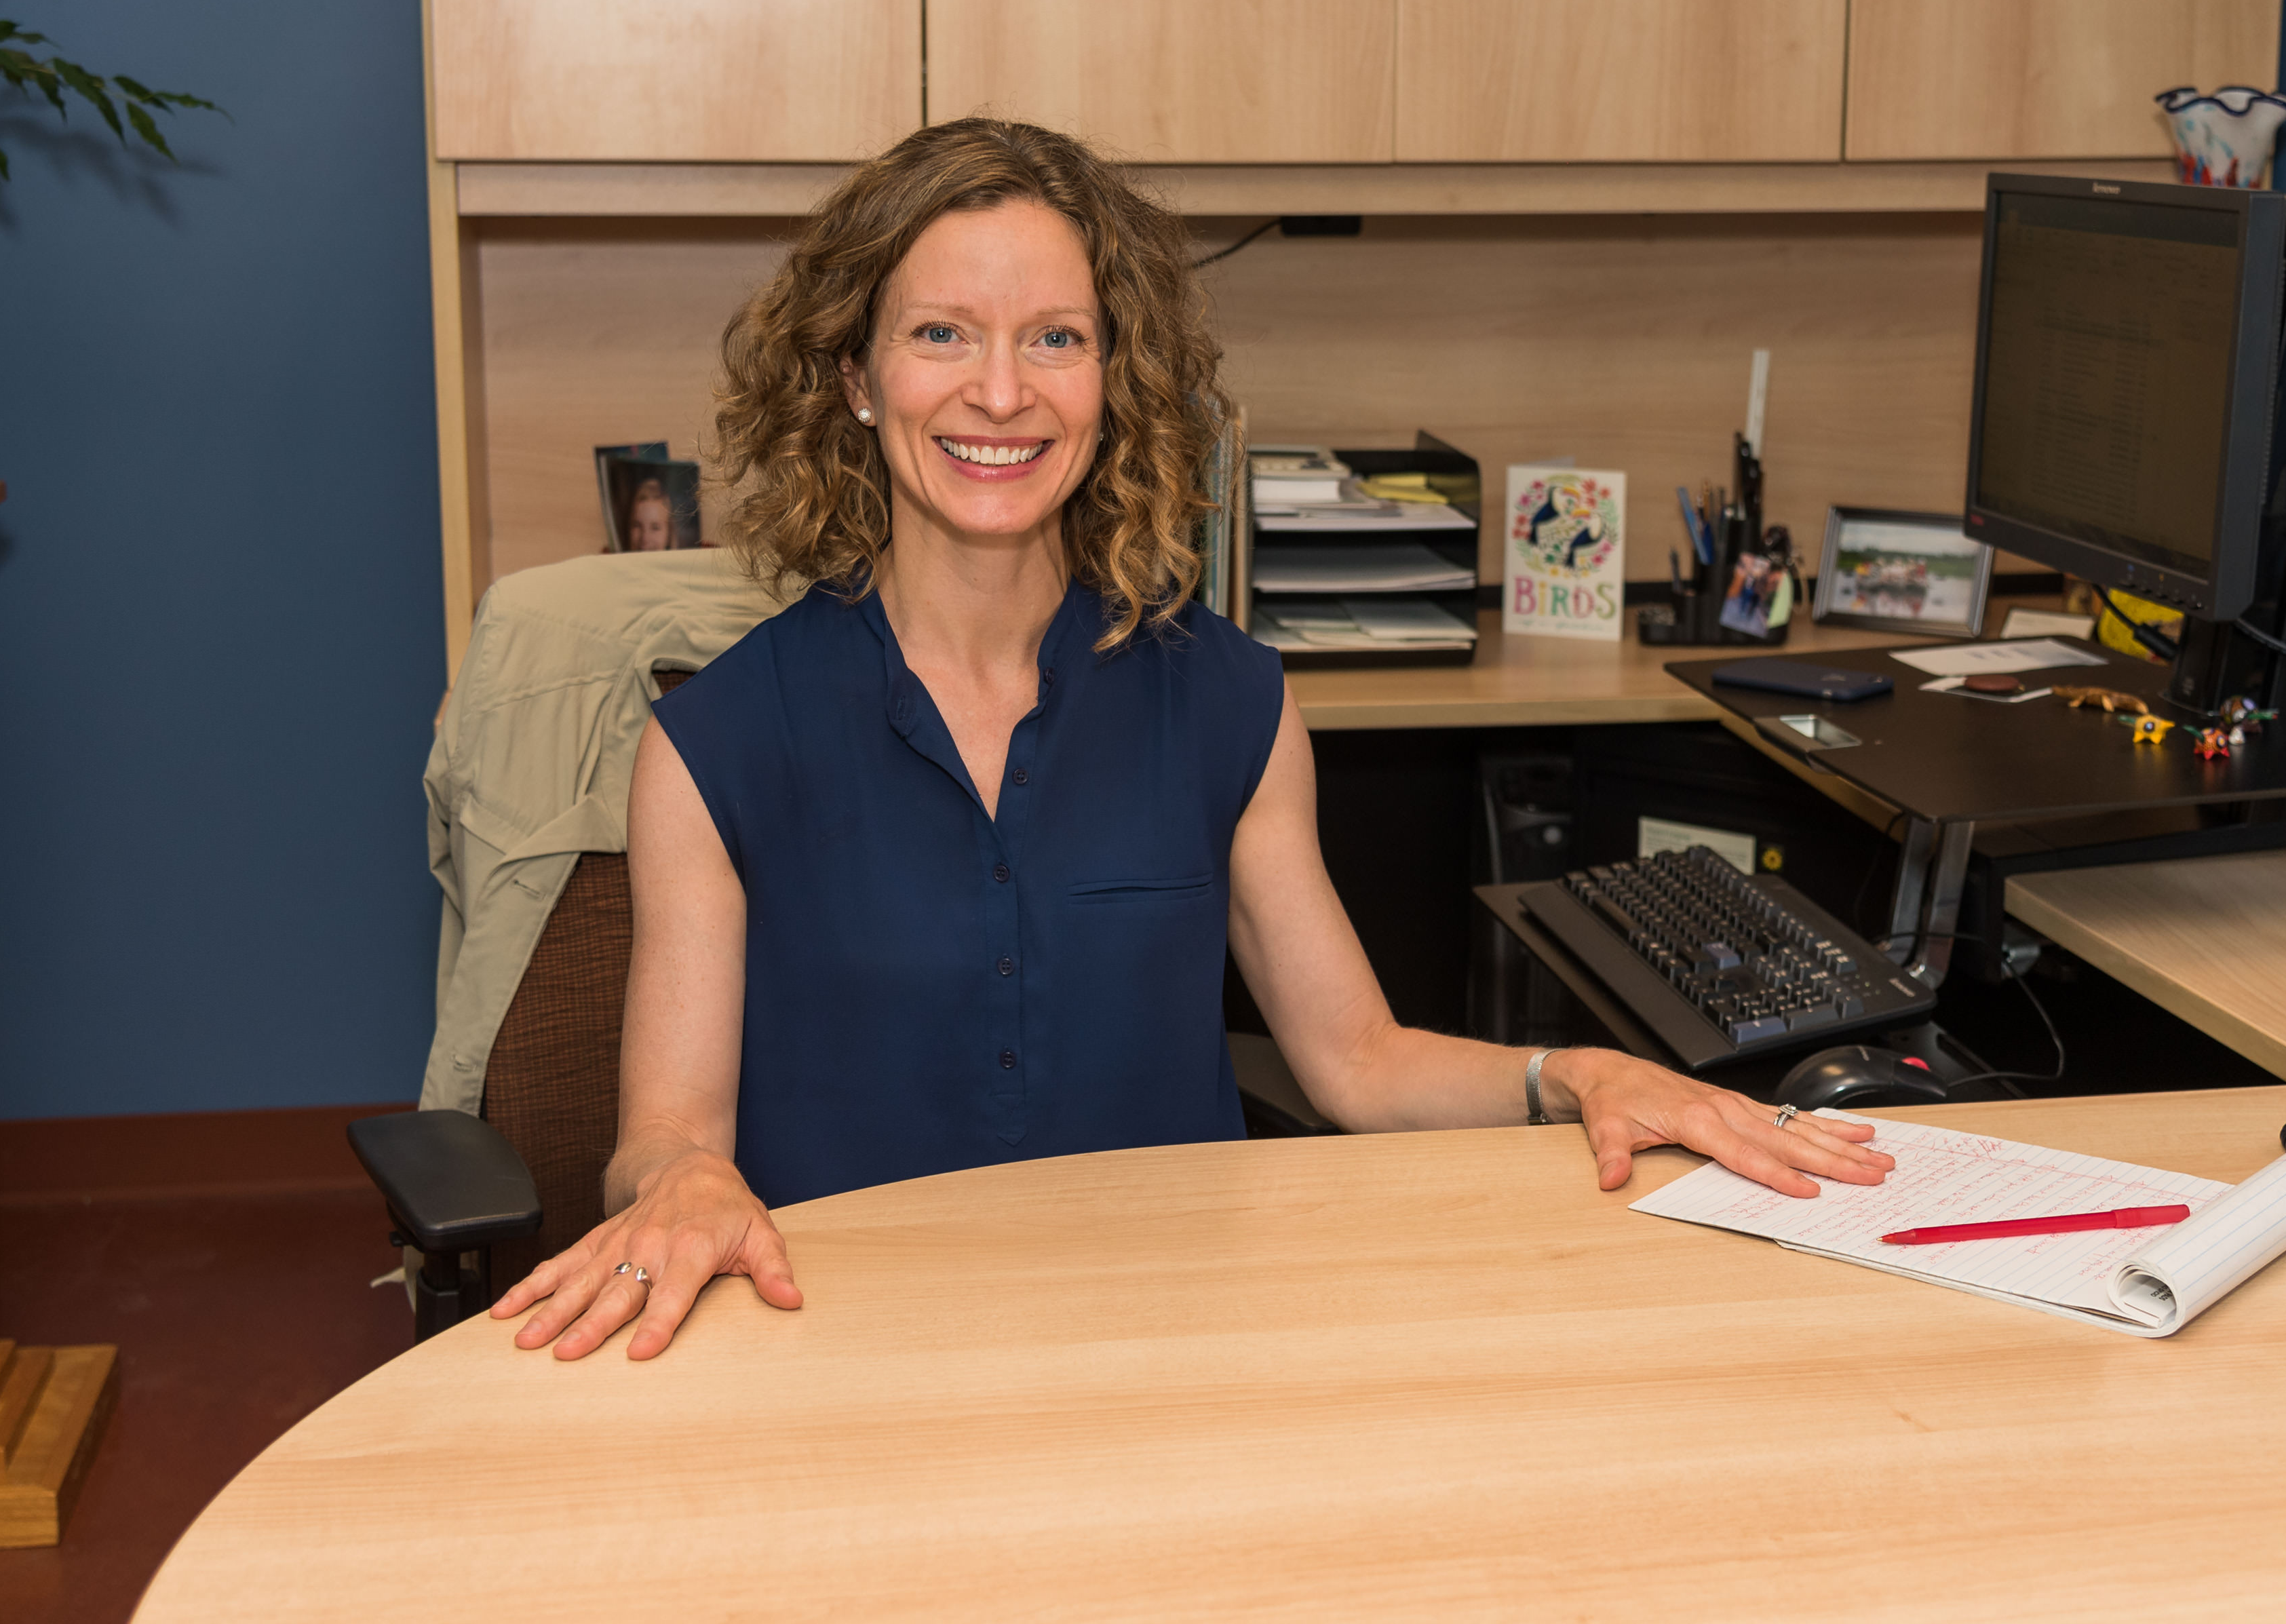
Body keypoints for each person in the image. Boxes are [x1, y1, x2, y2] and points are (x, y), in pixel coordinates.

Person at [491, 118, 1892, 1363]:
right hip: (849, 1357)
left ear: (1113, 380)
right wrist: (679, 1181)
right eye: (942, 335)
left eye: (1056, 337)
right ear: (856, 378)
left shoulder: (1226, 702)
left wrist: (1568, 1074)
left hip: (1171, 1351)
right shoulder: (716, 743)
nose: (1001, 392)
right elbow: (664, 1139)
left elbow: (1357, 1060)